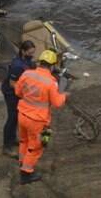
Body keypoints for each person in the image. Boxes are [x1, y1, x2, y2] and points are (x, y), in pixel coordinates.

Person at [15, 49, 68, 185]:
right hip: (37, 120)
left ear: (40, 62)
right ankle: (26, 173)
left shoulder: (27, 74)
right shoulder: (51, 83)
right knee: (36, 147)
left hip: (22, 115)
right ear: (52, 66)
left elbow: (18, 92)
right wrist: (64, 95)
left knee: (23, 141)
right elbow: (57, 103)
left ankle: (22, 162)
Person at [2, 40, 36, 158]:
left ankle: (12, 138)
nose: (32, 55)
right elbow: (12, 83)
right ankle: (7, 146)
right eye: (30, 53)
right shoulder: (17, 65)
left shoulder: (27, 60)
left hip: (19, 91)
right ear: (23, 51)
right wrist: (25, 94)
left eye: (33, 53)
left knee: (17, 116)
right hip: (11, 92)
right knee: (12, 117)